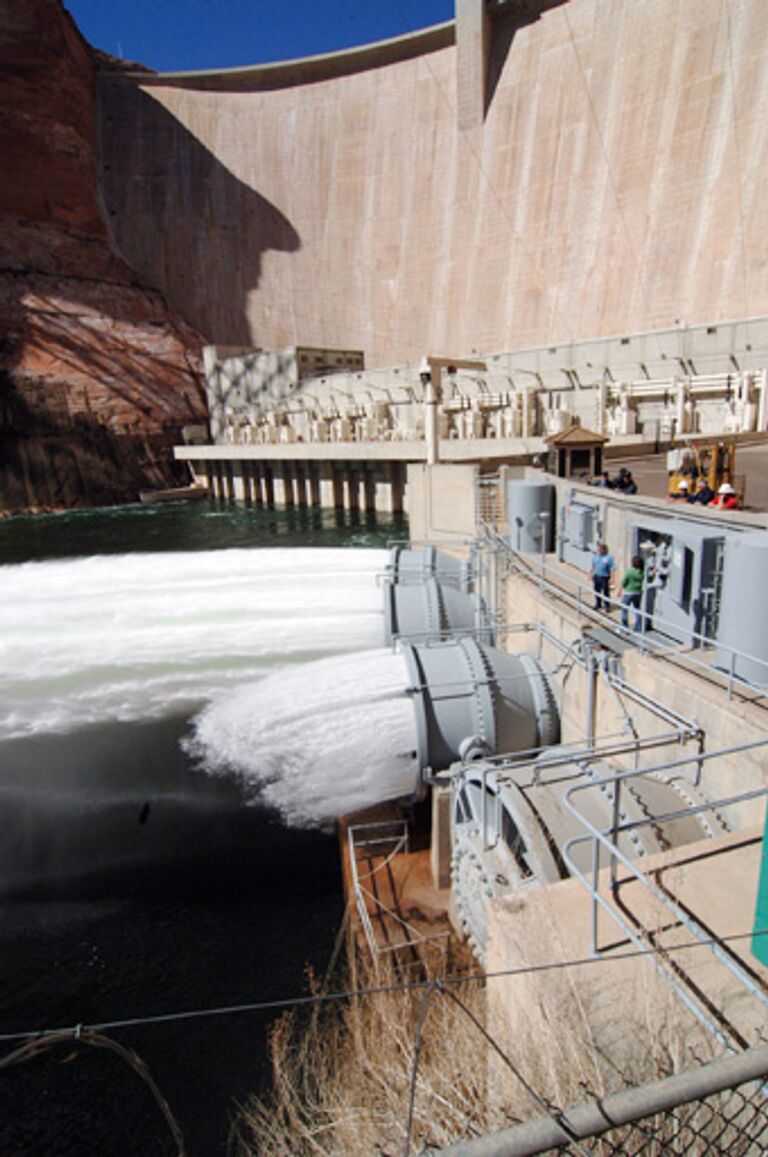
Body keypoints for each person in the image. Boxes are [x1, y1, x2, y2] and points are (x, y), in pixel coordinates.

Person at [620, 555, 645, 631]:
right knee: (637, 610)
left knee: (624, 610)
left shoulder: (630, 572)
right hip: (637, 592)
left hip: (628, 593)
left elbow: (623, 582)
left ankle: (624, 628)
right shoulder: (642, 572)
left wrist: (619, 590)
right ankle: (638, 627)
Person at [590, 542, 615, 612]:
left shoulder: (609, 558)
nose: (599, 551)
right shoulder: (596, 556)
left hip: (605, 577)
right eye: (598, 549)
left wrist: (612, 578)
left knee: (606, 592)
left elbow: (612, 568)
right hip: (597, 576)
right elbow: (593, 565)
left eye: (600, 549)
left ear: (604, 550)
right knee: (596, 591)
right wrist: (590, 573)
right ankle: (598, 604)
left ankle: (607, 606)